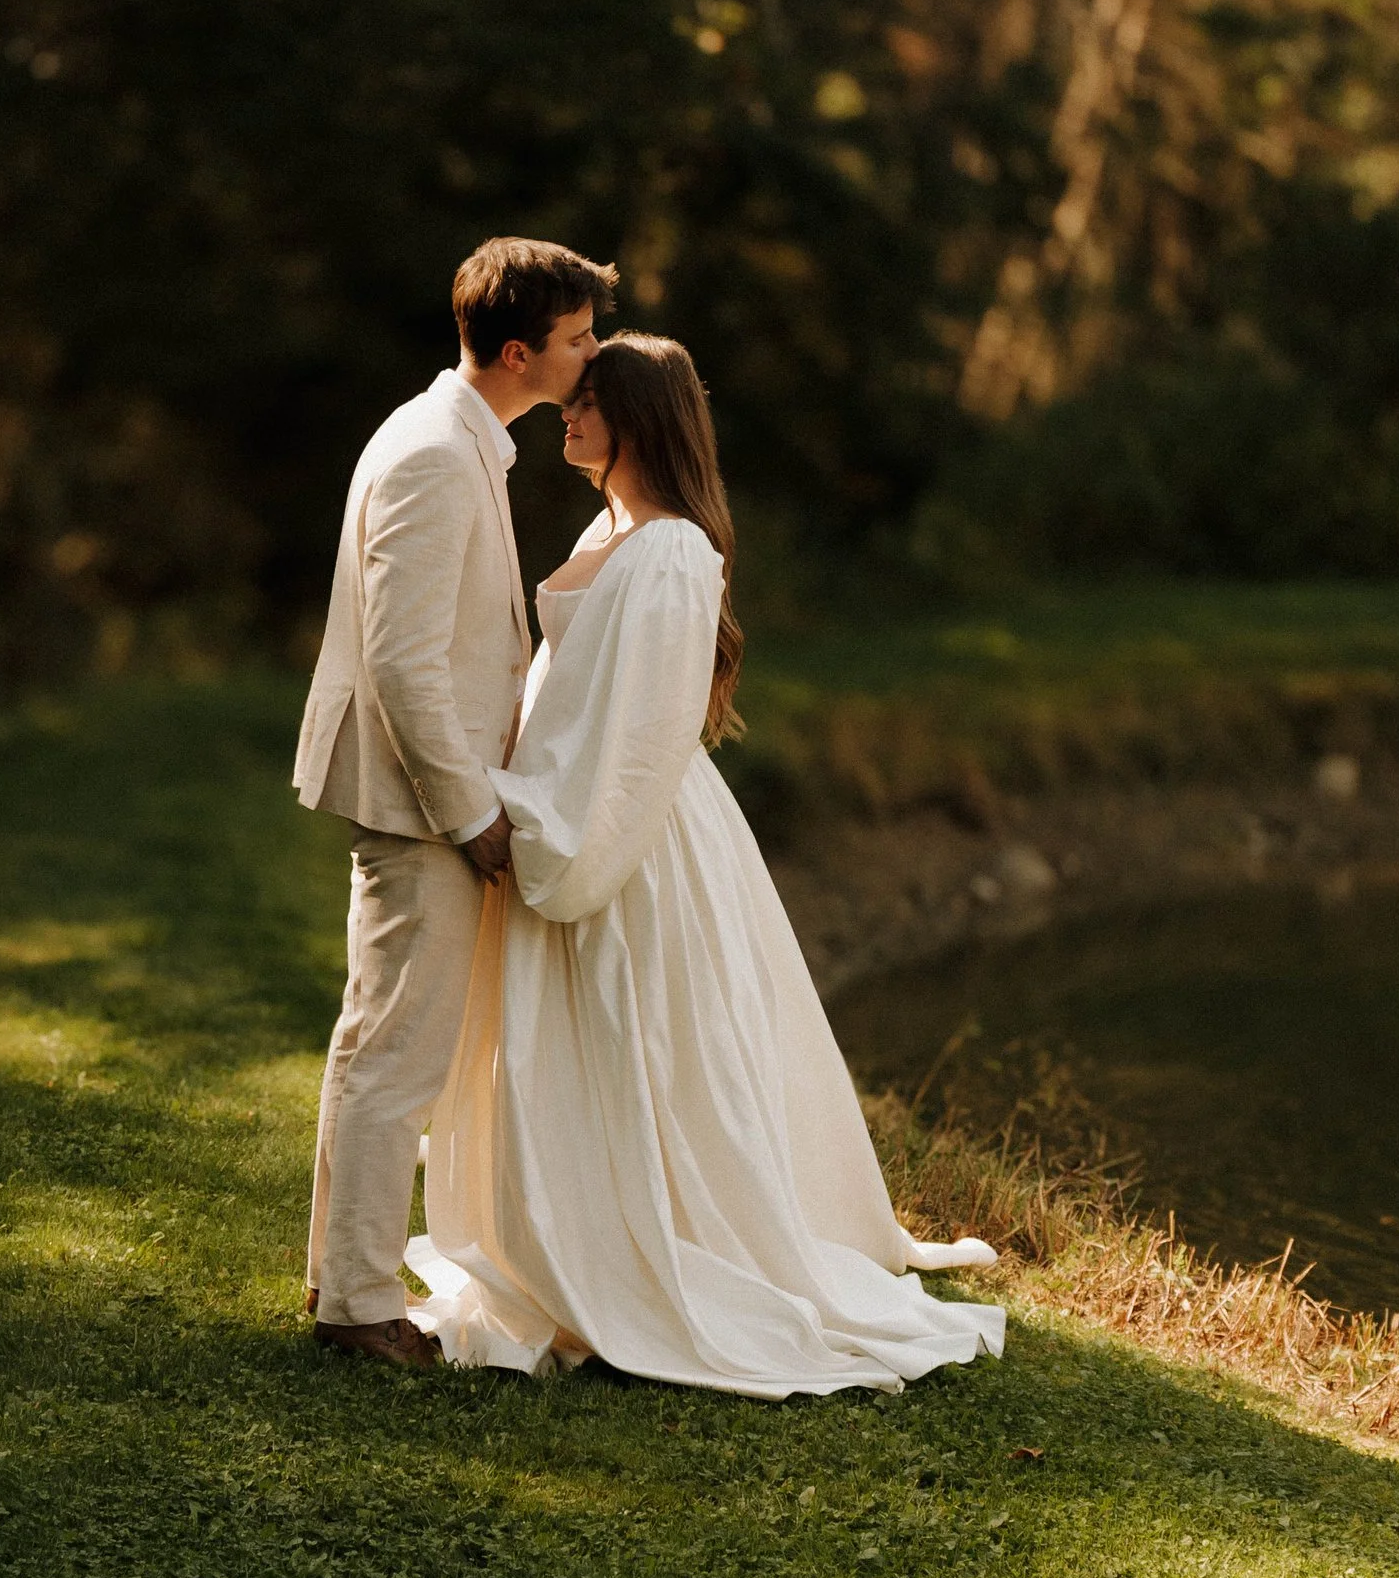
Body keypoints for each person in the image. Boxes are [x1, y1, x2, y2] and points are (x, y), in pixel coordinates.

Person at [402, 333, 1005, 1399]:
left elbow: (638, 732)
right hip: (565, 812)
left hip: (627, 838)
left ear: (635, 416)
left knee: (647, 1044)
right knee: (574, 1045)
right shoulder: (613, 528)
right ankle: (563, 1240)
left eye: (587, 401)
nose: (566, 415)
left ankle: (656, 1249)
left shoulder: (673, 552)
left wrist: (542, 825)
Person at [295, 235, 617, 1367]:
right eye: (579, 341)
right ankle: (359, 1310)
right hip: (419, 800)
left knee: (378, 1044)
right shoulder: (436, 451)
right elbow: (402, 662)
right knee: (396, 1054)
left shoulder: (461, 437)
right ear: (522, 351)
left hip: (426, 794)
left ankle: (345, 1285)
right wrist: (469, 809)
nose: (594, 358)